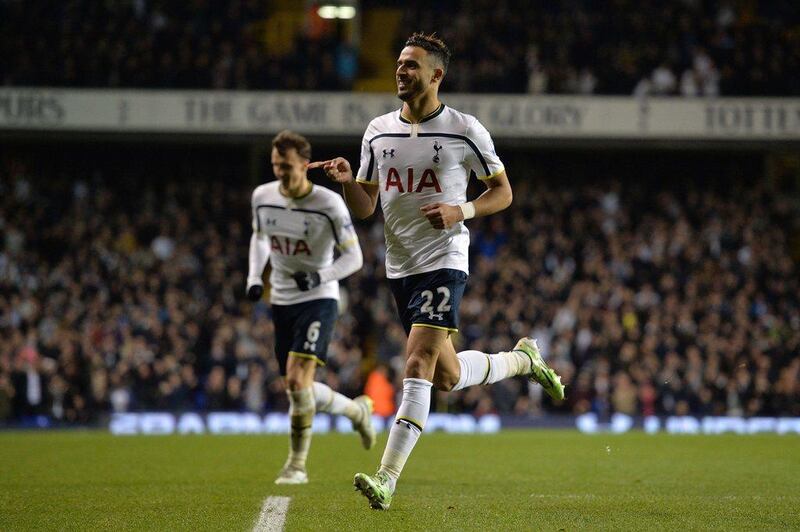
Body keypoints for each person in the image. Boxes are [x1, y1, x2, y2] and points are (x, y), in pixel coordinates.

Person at [309, 33, 565, 509]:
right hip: (400, 267)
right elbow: (366, 208)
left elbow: (503, 192)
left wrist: (461, 211)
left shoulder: (465, 129)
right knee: (445, 376)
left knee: (417, 363)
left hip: (445, 260)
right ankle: (523, 360)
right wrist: (347, 184)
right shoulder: (377, 131)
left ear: (436, 75)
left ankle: (386, 478)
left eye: (411, 65)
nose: (401, 72)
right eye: (399, 64)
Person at [246, 130, 376, 485]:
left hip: (319, 298)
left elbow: (355, 257)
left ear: (305, 165)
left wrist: (320, 277)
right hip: (283, 299)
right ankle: (356, 409)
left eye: (286, 166)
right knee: (297, 387)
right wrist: (255, 277)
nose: (281, 174)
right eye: (276, 166)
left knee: (296, 378)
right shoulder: (263, 196)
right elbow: (259, 238)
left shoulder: (328, 203)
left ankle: (296, 466)